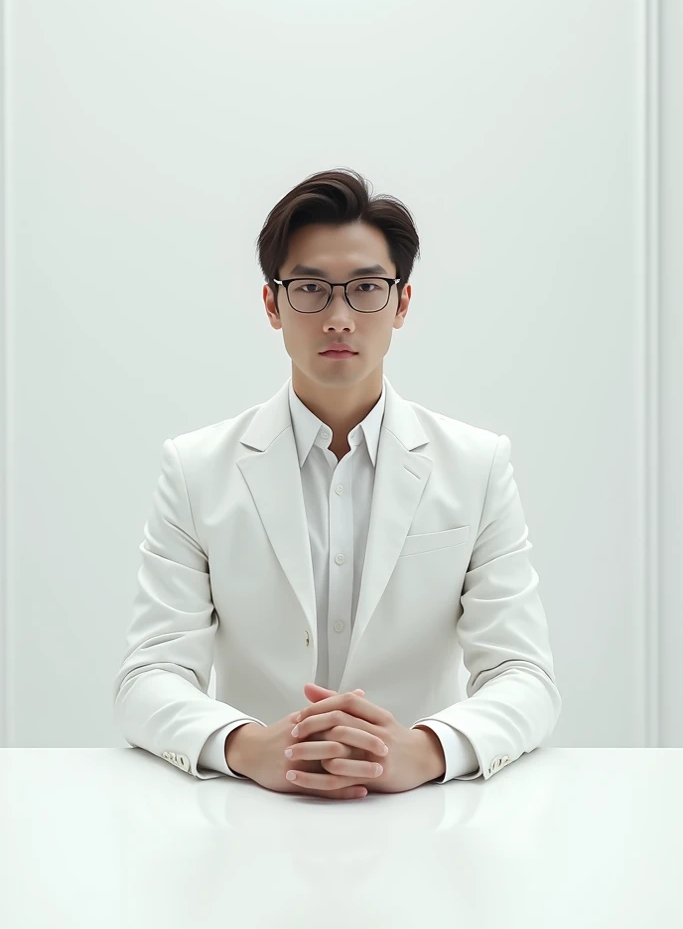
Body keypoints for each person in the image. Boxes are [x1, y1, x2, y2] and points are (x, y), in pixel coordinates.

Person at [113, 167, 561, 800]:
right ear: (272, 303)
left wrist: (426, 750)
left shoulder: (477, 465)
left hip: (428, 814)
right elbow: (149, 675)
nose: (340, 317)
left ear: (403, 302)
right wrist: (247, 747)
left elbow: (524, 674)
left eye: (366, 289)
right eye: (311, 289)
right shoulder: (195, 469)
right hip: (251, 811)